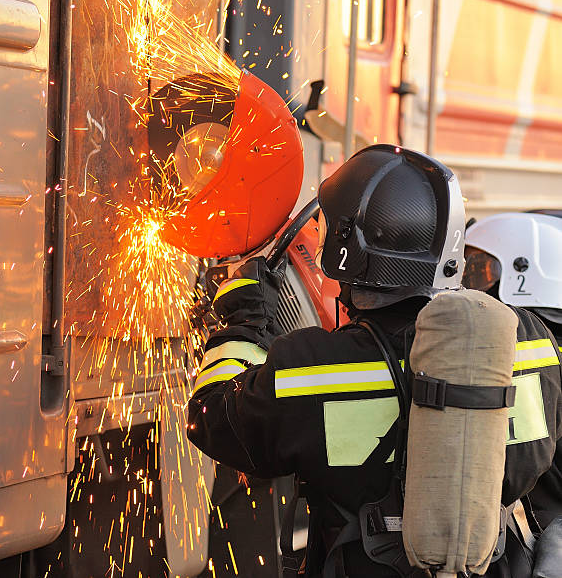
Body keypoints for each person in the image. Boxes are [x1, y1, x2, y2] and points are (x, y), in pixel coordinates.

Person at [187, 145, 562, 577]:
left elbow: (212, 417)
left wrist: (244, 322)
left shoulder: (315, 369)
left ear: (350, 248)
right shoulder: (530, 342)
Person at [464, 212, 562, 530]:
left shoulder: (521, 354)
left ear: (520, 271)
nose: (466, 285)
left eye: (480, 268)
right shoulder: (548, 347)